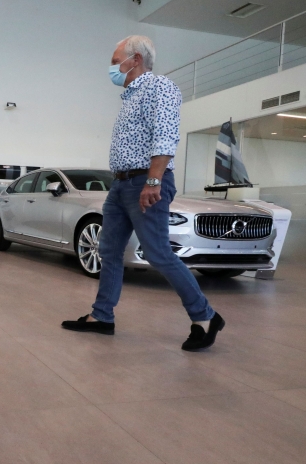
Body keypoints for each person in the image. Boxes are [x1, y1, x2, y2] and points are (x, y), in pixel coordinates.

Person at [61, 35, 225, 351]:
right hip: (121, 184)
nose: (112, 68)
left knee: (157, 253)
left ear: (135, 59)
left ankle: (205, 316)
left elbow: (166, 135)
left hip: (144, 182)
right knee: (109, 251)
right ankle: (102, 316)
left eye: (115, 61)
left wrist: (153, 181)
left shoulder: (159, 87)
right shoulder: (130, 96)